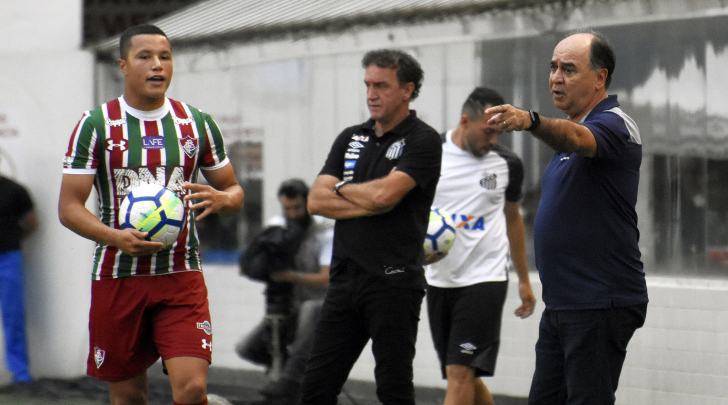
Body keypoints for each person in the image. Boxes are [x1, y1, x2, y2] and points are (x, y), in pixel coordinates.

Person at [58, 24, 244, 405]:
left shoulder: (196, 123)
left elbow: (234, 189)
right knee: (128, 399)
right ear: (123, 65)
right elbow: (69, 207)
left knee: (191, 390)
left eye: (165, 57)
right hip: (118, 278)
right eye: (145, 57)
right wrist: (115, 237)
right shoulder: (96, 125)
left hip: (181, 276)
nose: (157, 65)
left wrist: (226, 199)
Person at [485, 30, 649, 405]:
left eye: (569, 69)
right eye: (553, 67)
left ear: (600, 78)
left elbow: (575, 138)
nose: (556, 77)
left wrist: (529, 120)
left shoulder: (614, 124)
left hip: (598, 301)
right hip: (564, 304)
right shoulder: (565, 137)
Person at [301, 49, 442, 405]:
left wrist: (341, 188)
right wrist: (370, 198)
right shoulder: (351, 137)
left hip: (393, 282)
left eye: (381, 85)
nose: (371, 94)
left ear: (407, 90)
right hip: (345, 279)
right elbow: (315, 202)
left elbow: (384, 197)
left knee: (393, 390)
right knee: (315, 388)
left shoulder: (422, 140)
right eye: (367, 85)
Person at [424, 87, 536, 405]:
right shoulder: (430, 156)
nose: (493, 141)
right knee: (462, 376)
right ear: (464, 121)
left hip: (485, 279)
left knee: (459, 375)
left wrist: (524, 280)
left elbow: (512, 219)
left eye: (498, 134)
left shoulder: (506, 165)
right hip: (439, 279)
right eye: (488, 132)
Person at [235, 178, 333, 404]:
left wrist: (290, 276)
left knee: (310, 309)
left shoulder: (324, 232)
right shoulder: (278, 228)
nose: (292, 213)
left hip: (319, 307)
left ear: (308, 203)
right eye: (287, 208)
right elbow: (253, 267)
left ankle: (289, 379)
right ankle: (289, 377)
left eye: (297, 208)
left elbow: (326, 279)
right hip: (287, 306)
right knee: (246, 348)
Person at [0, 164, 37, 384]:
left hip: (8, 258)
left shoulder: (15, 191)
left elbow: (32, 222)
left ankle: (20, 373)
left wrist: (13, 239)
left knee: (13, 316)